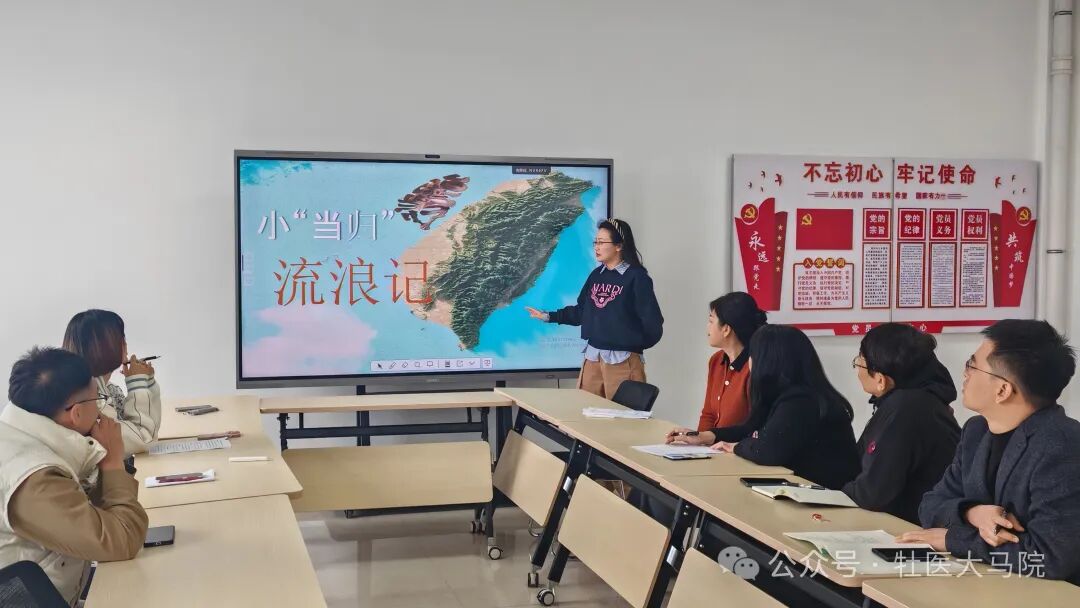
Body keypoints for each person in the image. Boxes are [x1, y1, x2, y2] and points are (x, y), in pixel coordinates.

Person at [898, 320, 1080, 584]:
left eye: (972, 366)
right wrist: (972, 513)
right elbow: (931, 506)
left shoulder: (1062, 445)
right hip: (983, 583)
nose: (965, 374)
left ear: (1003, 390)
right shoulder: (976, 431)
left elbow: (1049, 558)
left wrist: (952, 539)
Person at [0, 347, 148, 604]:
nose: (101, 410)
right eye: (98, 399)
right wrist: (113, 462)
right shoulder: (34, 478)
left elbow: (96, 515)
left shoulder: (19, 435)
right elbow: (123, 539)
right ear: (76, 413)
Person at [666, 325, 859, 490]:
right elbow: (751, 428)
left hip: (825, 498)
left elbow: (768, 451)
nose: (749, 362)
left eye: (753, 355)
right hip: (801, 491)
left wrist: (737, 447)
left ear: (769, 362)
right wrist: (707, 436)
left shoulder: (801, 401)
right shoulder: (782, 394)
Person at [527, 218, 663, 398]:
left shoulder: (636, 277)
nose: (596, 247)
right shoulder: (596, 275)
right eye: (595, 242)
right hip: (592, 358)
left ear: (619, 246)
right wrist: (548, 316)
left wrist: (632, 345)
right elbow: (581, 312)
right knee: (585, 411)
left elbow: (653, 322)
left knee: (622, 413)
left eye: (602, 242)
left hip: (622, 361)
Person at [843, 323, 960, 523]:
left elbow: (872, 494)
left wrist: (833, 493)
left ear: (881, 380)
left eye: (859, 363)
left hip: (912, 528)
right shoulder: (919, 400)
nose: (857, 369)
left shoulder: (907, 408)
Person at [63, 309, 160, 455]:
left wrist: (147, 382)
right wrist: (138, 384)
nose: (126, 344)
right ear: (108, 346)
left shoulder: (110, 390)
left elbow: (149, 430)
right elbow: (143, 438)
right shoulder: (93, 400)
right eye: (122, 338)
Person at [695, 292, 767, 431]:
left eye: (711, 321)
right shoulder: (716, 360)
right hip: (714, 443)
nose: (707, 327)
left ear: (726, 329)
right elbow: (708, 414)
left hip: (741, 444)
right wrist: (698, 439)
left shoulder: (755, 366)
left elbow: (756, 426)